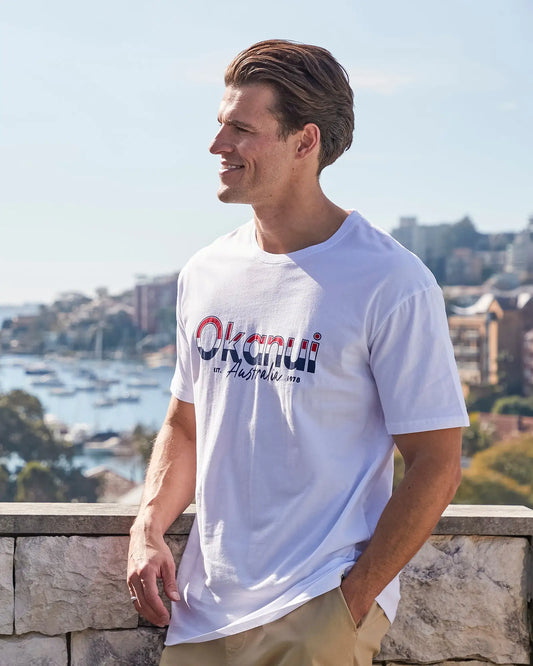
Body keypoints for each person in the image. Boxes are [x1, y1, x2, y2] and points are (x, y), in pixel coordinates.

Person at [127, 39, 469, 666]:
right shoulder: (206, 272)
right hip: (202, 612)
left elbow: (437, 462)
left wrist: (350, 604)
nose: (217, 145)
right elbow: (185, 423)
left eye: (241, 128)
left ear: (304, 142)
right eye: (220, 125)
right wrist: (147, 528)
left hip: (315, 610)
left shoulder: (391, 281)